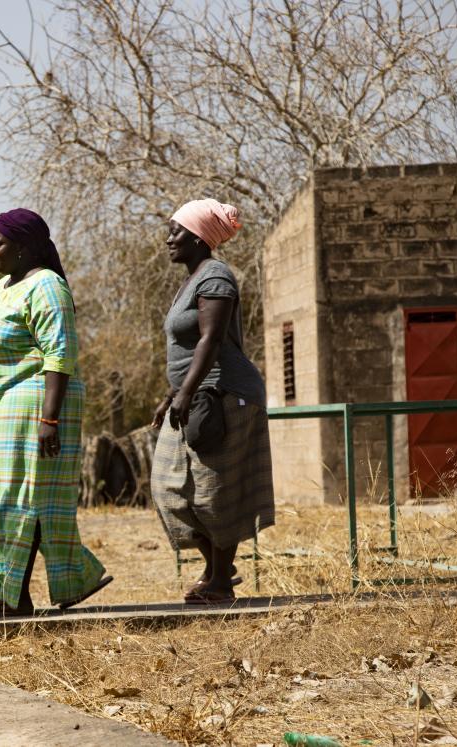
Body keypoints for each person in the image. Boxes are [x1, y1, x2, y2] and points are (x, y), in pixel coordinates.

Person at [0, 208, 112, 617]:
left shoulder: (47, 286)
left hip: (39, 404)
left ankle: (13, 595)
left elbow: (59, 354)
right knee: (17, 500)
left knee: (28, 501)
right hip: (6, 408)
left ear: (23, 248)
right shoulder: (4, 288)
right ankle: (66, 581)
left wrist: (50, 419)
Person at [150, 198, 275, 604]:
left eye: (177, 231)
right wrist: (172, 393)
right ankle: (219, 568)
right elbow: (187, 350)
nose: (169, 238)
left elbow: (212, 339)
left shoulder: (216, 276)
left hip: (225, 394)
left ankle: (219, 582)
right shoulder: (194, 278)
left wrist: (185, 392)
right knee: (168, 488)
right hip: (196, 393)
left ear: (200, 238)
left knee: (211, 490)